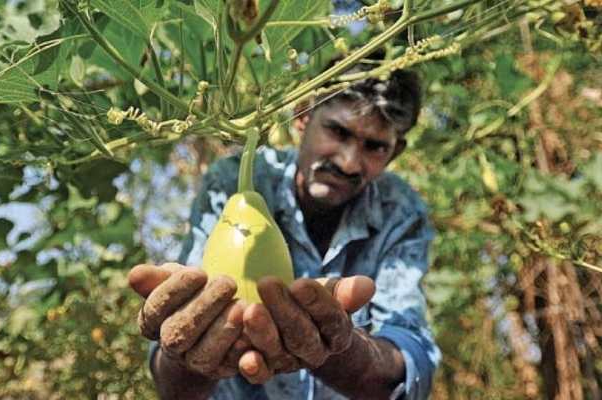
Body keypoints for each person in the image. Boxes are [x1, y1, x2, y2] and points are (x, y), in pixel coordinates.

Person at [128, 66, 440, 399]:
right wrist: (184, 348)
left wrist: (340, 347)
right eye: (338, 131)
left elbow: (409, 356)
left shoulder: (402, 213)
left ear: (395, 152)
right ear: (302, 115)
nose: (349, 163)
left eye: (374, 147)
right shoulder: (231, 181)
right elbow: (174, 384)